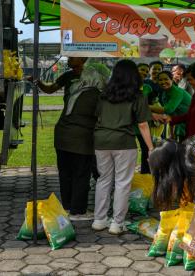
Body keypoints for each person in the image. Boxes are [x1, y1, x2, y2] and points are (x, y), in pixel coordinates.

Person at [92, 60, 154, 235]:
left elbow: (97, 116)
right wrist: (150, 147)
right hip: (124, 143)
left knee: (103, 180)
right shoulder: (137, 96)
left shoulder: (104, 94)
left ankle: (99, 220)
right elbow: (143, 124)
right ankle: (117, 223)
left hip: (101, 141)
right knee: (122, 183)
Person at [53, 61, 109, 221]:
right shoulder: (96, 95)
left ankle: (68, 206)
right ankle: (78, 211)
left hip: (62, 137)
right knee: (81, 174)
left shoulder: (74, 89)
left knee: (65, 173)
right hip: (81, 140)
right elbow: (102, 117)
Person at [151, 71, 191, 142]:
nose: (163, 82)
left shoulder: (177, 92)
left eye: (166, 79)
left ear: (171, 79)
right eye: (160, 80)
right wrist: (172, 135)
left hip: (190, 125)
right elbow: (170, 116)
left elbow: (168, 109)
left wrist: (146, 107)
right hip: (180, 126)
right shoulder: (164, 94)